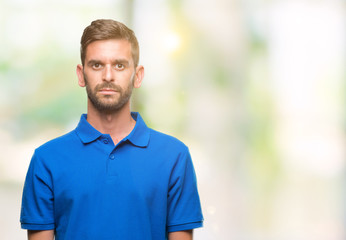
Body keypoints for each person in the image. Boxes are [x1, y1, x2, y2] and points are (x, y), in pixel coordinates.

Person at [20, 19, 203, 240]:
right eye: (97, 65)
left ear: (138, 75)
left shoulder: (174, 156)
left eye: (119, 65)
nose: (108, 76)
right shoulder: (46, 160)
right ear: (81, 74)